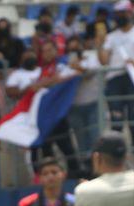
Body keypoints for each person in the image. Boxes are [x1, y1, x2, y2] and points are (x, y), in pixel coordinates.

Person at [5, 45, 81, 178]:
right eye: (44, 51)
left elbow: (70, 76)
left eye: (50, 50)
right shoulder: (37, 71)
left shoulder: (60, 66)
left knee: (66, 146)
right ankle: (47, 176)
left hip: (58, 115)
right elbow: (15, 90)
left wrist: (44, 83)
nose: (47, 53)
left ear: (56, 52)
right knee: (45, 149)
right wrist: (43, 83)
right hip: (40, 118)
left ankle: (75, 174)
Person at [97, 0, 134, 172]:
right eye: (118, 14)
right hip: (115, 80)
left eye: (123, 13)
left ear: (130, 13)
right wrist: (100, 44)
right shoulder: (111, 37)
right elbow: (104, 61)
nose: (121, 16)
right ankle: (116, 160)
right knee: (117, 122)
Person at [67, 35, 106, 172]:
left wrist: (77, 67)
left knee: (95, 136)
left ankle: (98, 165)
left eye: (76, 47)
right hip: (74, 107)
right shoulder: (64, 61)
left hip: (93, 103)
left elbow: (90, 73)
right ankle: (86, 167)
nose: (74, 50)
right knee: (80, 139)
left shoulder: (92, 57)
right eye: (71, 48)